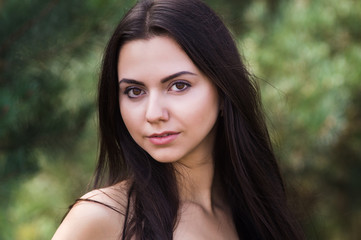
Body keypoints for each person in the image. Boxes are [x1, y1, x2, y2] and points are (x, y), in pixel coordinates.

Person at [53, 0, 304, 239]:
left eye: (179, 86)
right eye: (135, 91)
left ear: (224, 90)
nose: (153, 114)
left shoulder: (255, 214)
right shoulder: (101, 217)